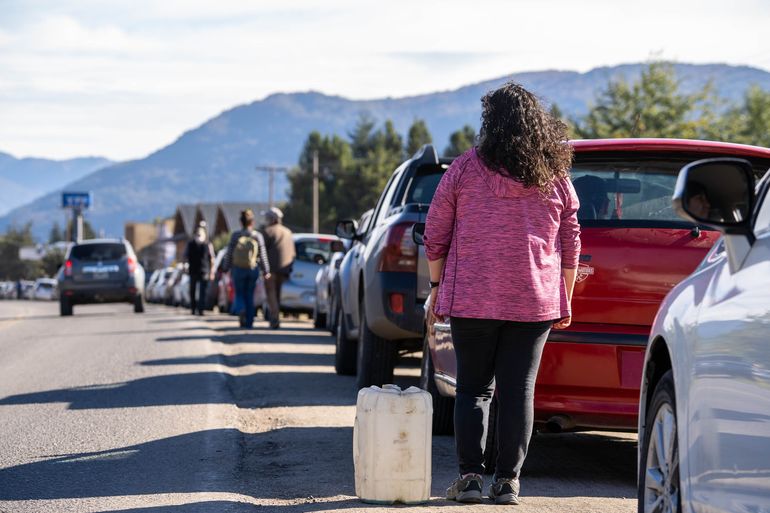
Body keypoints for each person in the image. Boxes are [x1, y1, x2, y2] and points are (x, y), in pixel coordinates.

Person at [423, 82, 581, 505]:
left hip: (472, 295)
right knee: (519, 390)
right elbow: (571, 240)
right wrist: (563, 296)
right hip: (535, 299)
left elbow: (435, 233)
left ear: (491, 123)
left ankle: (471, 477)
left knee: (473, 388)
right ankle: (508, 482)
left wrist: (436, 287)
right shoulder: (556, 176)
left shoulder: (464, 169)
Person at [224, 209, 271, 328]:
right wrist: (266, 271)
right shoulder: (257, 236)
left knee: (239, 294)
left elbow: (229, 253)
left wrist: (225, 267)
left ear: (241, 222)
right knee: (249, 295)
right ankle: (249, 322)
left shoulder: (236, 235)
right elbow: (262, 254)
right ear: (252, 222)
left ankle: (241, 311)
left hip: (238, 269)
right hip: (252, 269)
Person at [260, 207, 295, 329]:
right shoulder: (288, 232)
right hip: (284, 269)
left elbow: (262, 251)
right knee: (277, 294)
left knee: (271, 293)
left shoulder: (267, 231)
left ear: (272, 219)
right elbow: (292, 252)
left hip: (271, 269)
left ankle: (274, 318)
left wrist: (263, 268)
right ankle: (275, 316)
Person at [183, 225, 215, 316]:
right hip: (193, 270)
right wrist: (185, 266)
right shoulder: (190, 244)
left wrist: (212, 271)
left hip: (204, 270)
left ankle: (200, 309)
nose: (198, 236)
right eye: (197, 234)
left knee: (202, 291)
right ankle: (193, 308)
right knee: (192, 290)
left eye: (200, 234)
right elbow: (185, 257)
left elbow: (212, 258)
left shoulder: (208, 244)